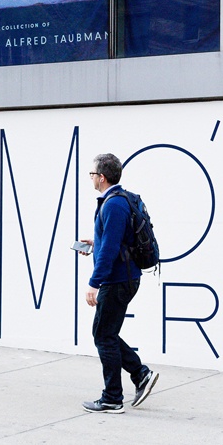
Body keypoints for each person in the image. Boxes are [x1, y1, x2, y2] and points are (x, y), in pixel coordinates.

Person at [78, 153, 159, 413]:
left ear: (101, 177)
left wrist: (94, 283)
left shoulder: (113, 205)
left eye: (92, 174)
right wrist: (96, 243)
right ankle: (140, 374)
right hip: (125, 277)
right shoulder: (120, 199)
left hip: (117, 280)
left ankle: (113, 397)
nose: (90, 178)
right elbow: (116, 240)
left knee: (103, 335)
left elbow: (112, 250)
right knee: (105, 333)